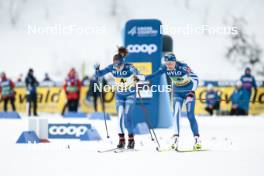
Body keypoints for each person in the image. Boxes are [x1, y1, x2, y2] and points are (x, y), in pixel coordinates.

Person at [145, 53, 201, 151]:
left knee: (190, 115)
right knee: (176, 113)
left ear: (175, 62)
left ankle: (197, 139)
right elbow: (155, 75)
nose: (168, 66)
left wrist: (192, 92)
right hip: (177, 93)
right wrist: (142, 78)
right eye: (167, 64)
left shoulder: (183, 67)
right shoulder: (165, 68)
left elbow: (196, 79)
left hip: (188, 92)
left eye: (170, 63)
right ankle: (175, 138)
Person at [95, 50, 143, 149]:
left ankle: (131, 140)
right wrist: (96, 69)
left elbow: (140, 75)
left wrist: (137, 76)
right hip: (120, 95)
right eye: (116, 66)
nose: (118, 68)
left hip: (130, 94)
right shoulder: (111, 68)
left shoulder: (129, 67)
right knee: (120, 116)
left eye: (119, 66)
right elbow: (99, 74)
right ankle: (121, 140)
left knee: (127, 116)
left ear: (123, 63)